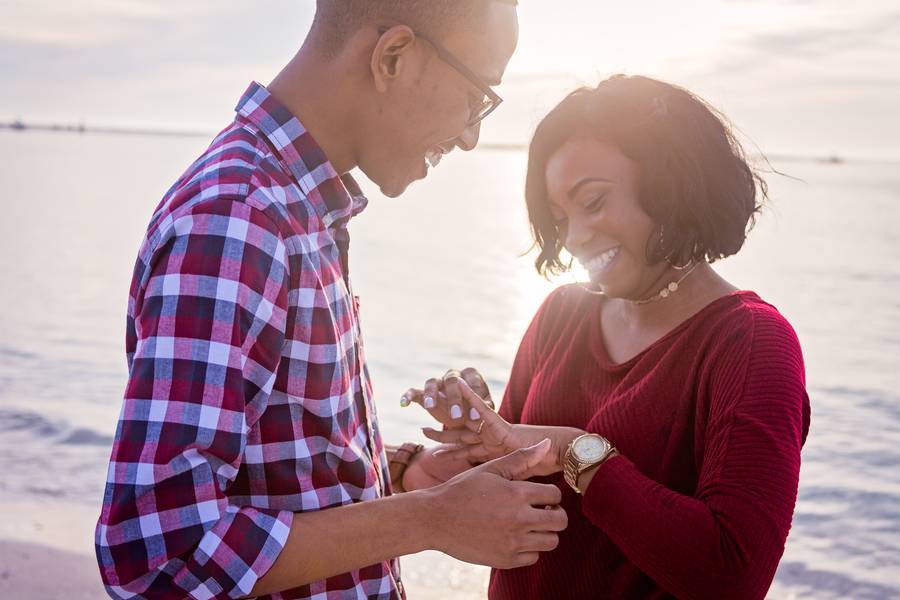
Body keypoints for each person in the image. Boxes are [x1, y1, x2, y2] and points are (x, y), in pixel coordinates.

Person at [94, 2, 570, 599]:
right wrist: (431, 519)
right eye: (479, 95)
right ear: (393, 56)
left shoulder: (291, 208)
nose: (472, 136)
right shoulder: (241, 218)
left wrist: (413, 480)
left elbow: (274, 471)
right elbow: (159, 553)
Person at [403, 75, 811, 599]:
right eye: (559, 217)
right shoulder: (561, 313)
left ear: (671, 182)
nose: (573, 238)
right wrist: (482, 433)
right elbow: (514, 494)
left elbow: (731, 575)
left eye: (592, 202)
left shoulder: (752, 342)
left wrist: (579, 452)